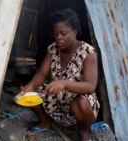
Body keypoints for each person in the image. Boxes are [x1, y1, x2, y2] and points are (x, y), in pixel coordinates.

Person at [21, 8, 100, 141]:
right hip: (56, 97)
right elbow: (41, 73)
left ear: (74, 32)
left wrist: (64, 83)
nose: (58, 37)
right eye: (56, 33)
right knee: (31, 93)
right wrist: (31, 85)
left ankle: (84, 131)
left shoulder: (88, 52)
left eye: (63, 33)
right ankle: (44, 121)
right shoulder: (53, 49)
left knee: (82, 103)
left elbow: (90, 86)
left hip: (77, 98)